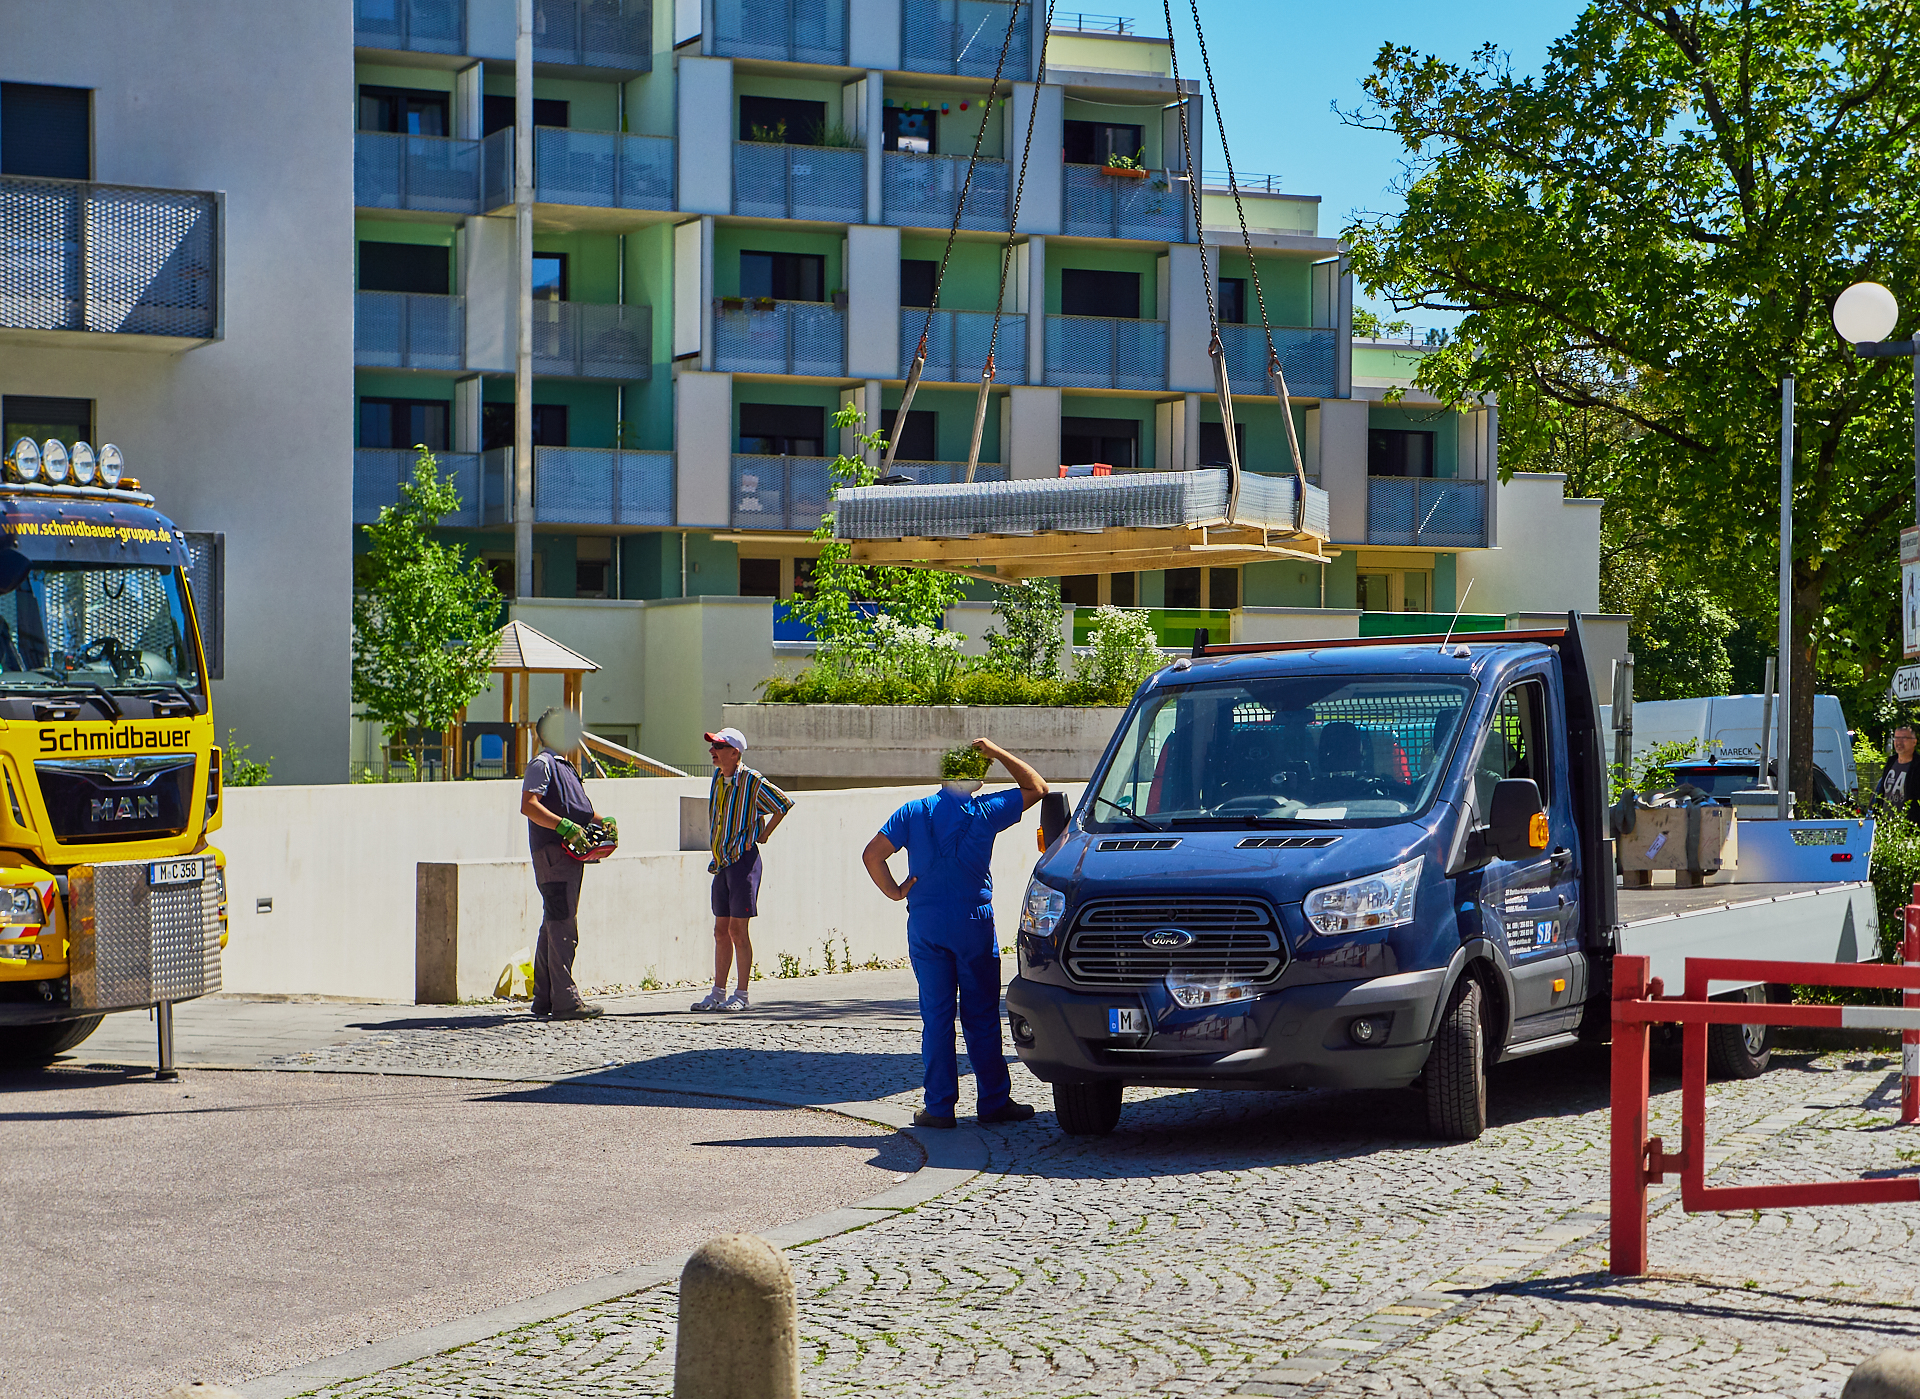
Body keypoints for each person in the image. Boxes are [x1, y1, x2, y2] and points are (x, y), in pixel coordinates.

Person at [862, 737, 1045, 1129]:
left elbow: (872, 855)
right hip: (972, 922)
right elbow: (1037, 788)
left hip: (926, 923)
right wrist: (997, 752)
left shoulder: (913, 812)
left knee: (937, 1016)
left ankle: (940, 1107)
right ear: (977, 778)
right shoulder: (986, 809)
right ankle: (993, 1102)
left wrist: (895, 892)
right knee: (980, 1014)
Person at [693, 726, 794, 1013]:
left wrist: (765, 834)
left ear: (735, 752)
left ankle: (742, 993)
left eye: (719, 747)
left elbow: (783, 804)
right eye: (713, 746)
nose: (713, 751)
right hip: (722, 862)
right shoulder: (718, 777)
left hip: (743, 862)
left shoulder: (752, 780)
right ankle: (717, 992)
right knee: (720, 929)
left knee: (738, 930)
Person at [519, 707, 604, 1020]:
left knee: (553, 922)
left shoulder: (564, 766)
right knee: (563, 924)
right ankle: (567, 1001)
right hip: (554, 853)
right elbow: (529, 805)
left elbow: (577, 809)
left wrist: (602, 820)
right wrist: (561, 826)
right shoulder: (542, 764)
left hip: (568, 852)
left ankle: (545, 998)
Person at [1877, 724, 1920, 821]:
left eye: (1904, 738)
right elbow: (1881, 793)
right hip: (1886, 826)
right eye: (1896, 738)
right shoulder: (1891, 762)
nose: (1899, 742)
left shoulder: (1917, 766)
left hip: (1909, 827)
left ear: (1914, 742)